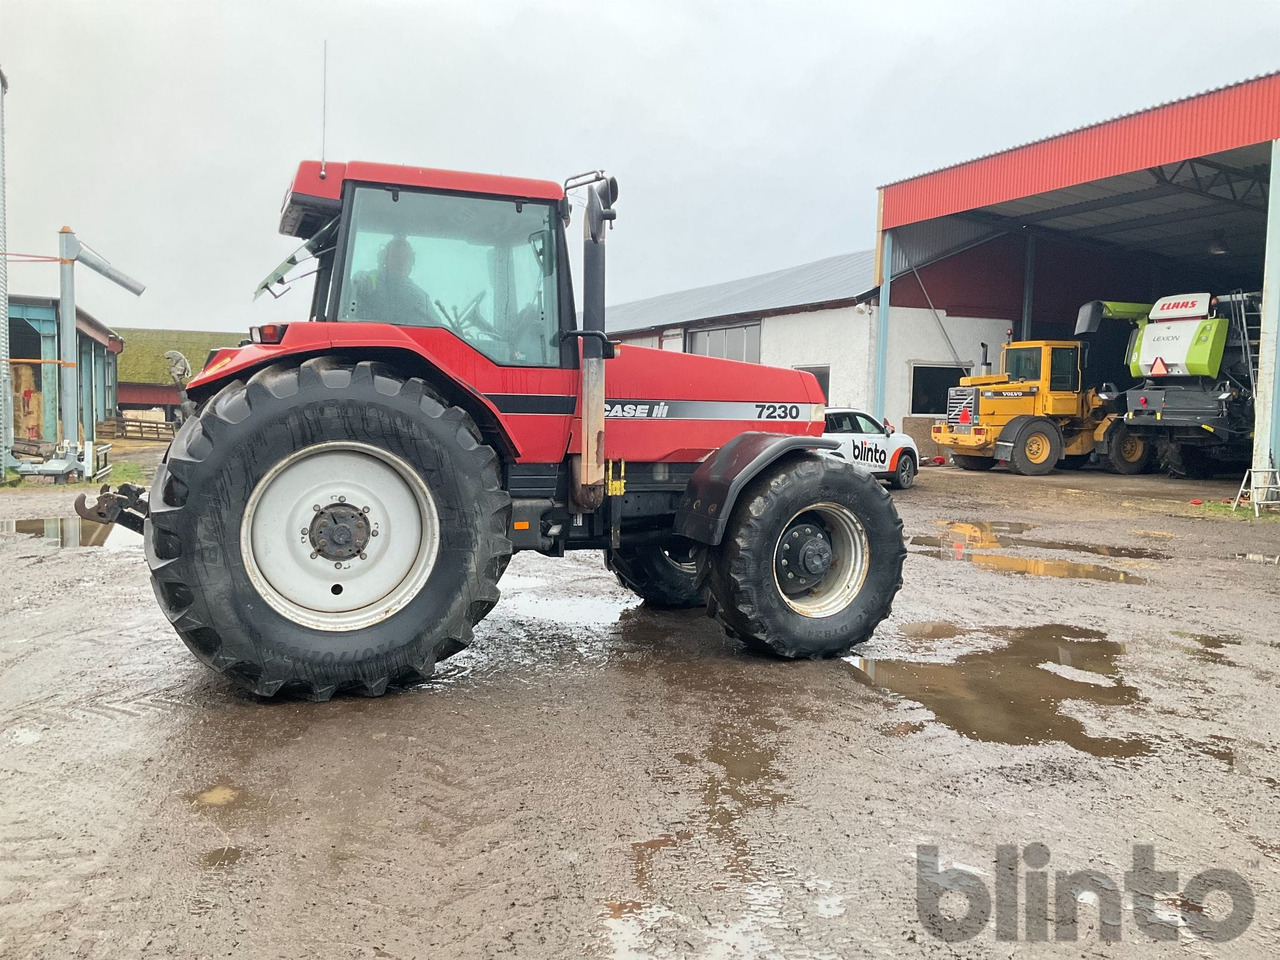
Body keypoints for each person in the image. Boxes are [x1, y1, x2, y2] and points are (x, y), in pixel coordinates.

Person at [351, 236, 431, 325]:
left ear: (412, 262)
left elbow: (434, 327)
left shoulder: (419, 296)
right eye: (396, 257)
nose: (401, 262)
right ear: (384, 259)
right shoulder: (367, 280)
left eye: (405, 258)